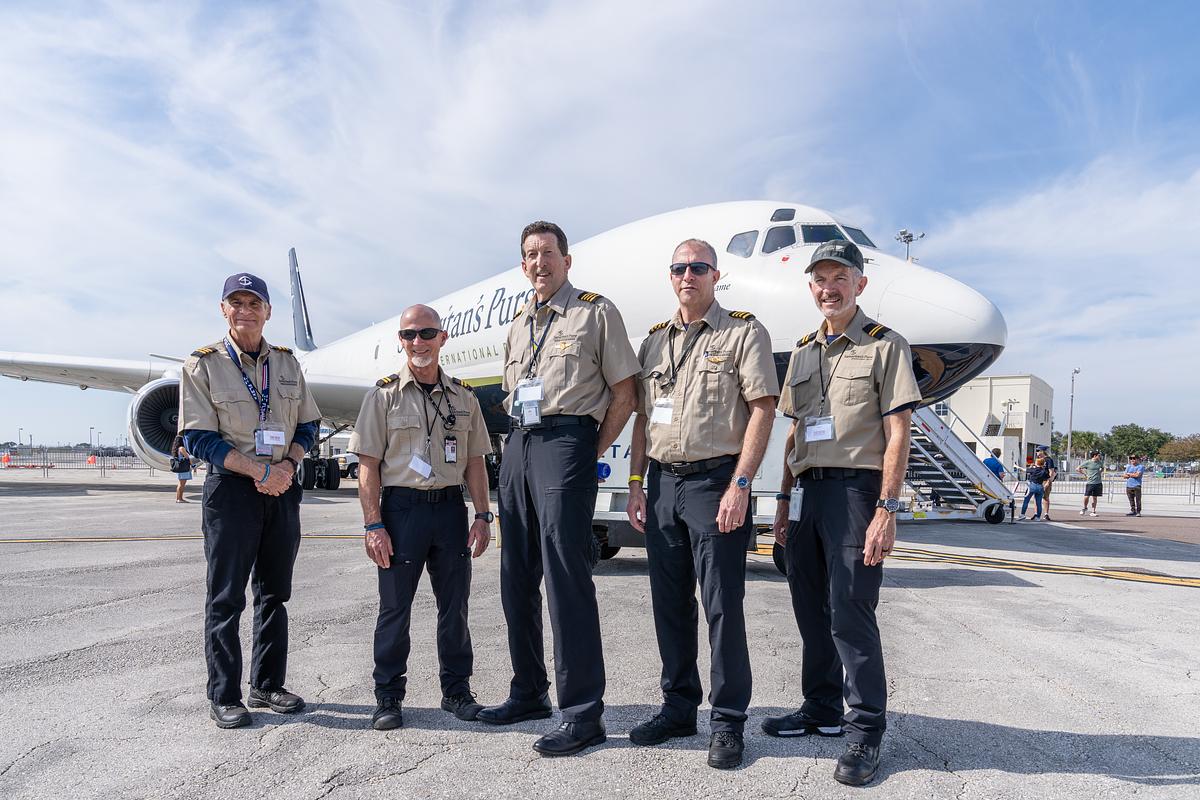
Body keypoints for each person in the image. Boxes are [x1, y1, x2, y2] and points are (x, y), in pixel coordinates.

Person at [478, 221, 640, 757]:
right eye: (530, 254)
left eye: (548, 252)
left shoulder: (595, 312)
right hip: (519, 446)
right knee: (515, 576)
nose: (539, 262)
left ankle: (582, 712)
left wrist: (590, 448)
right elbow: (510, 394)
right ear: (522, 266)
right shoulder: (519, 322)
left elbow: (625, 391)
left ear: (567, 261)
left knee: (565, 577)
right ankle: (528, 692)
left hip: (566, 442)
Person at [767, 240, 921, 787]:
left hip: (858, 494)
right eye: (820, 280)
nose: (829, 288)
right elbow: (792, 433)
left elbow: (898, 430)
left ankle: (865, 731)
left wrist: (887, 508)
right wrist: (782, 501)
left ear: (860, 284)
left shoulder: (885, 346)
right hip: (807, 492)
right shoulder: (805, 351)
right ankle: (821, 708)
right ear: (811, 288)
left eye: (840, 278)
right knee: (811, 610)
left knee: (852, 613)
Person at [624, 239, 779, 769]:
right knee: (669, 605)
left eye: (698, 267)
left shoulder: (742, 332)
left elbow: (763, 408)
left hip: (717, 483)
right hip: (664, 484)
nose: (688, 276)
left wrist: (741, 483)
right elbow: (643, 419)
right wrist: (637, 483)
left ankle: (728, 721)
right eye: (679, 268)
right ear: (670, 277)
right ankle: (677, 707)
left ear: (716, 274)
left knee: (721, 606)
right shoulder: (653, 343)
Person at [179, 273, 322, 729]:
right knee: (226, 598)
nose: (245, 310)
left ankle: (267, 684)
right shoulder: (202, 365)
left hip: (282, 487)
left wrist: (288, 466)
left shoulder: (286, 363)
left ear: (268, 311)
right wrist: (259, 470)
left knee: (275, 593)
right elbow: (199, 439)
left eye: (254, 302)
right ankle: (225, 694)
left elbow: (308, 426)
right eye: (236, 302)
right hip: (233, 492)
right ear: (224, 310)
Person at [349, 305, 493, 730]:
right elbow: (368, 465)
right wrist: (373, 524)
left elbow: (475, 463)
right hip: (401, 513)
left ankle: (457, 692)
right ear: (401, 340)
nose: (418, 342)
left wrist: (482, 515)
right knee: (395, 608)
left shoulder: (464, 397)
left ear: (442, 338)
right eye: (409, 335)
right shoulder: (383, 396)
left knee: (456, 608)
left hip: (449, 511)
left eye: (426, 333)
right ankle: (388, 697)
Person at [1077, 451, 1104, 516]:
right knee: (1086, 496)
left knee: (1095, 497)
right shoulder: (1088, 462)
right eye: (1098, 455)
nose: (1099, 456)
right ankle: (1084, 508)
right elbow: (1078, 468)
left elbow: (1102, 468)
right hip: (1090, 482)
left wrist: (1100, 472)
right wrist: (1085, 474)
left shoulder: (1100, 462)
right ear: (1095, 456)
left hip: (1098, 482)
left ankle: (1093, 511)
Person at [1036, 445, 1058, 520]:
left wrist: (1048, 482)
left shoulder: (1048, 460)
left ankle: (1046, 514)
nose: (1037, 452)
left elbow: (1051, 472)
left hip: (1045, 480)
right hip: (1038, 480)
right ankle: (1037, 513)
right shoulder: (1038, 460)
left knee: (1045, 497)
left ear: (1042, 451)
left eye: (1038, 451)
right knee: (1037, 497)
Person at [171, 435, 194, 503]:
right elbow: (187, 457)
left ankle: (179, 498)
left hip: (181, 468)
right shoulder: (182, 448)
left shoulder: (176, 449)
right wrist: (192, 465)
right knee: (182, 484)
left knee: (181, 483)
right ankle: (179, 498)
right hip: (184, 468)